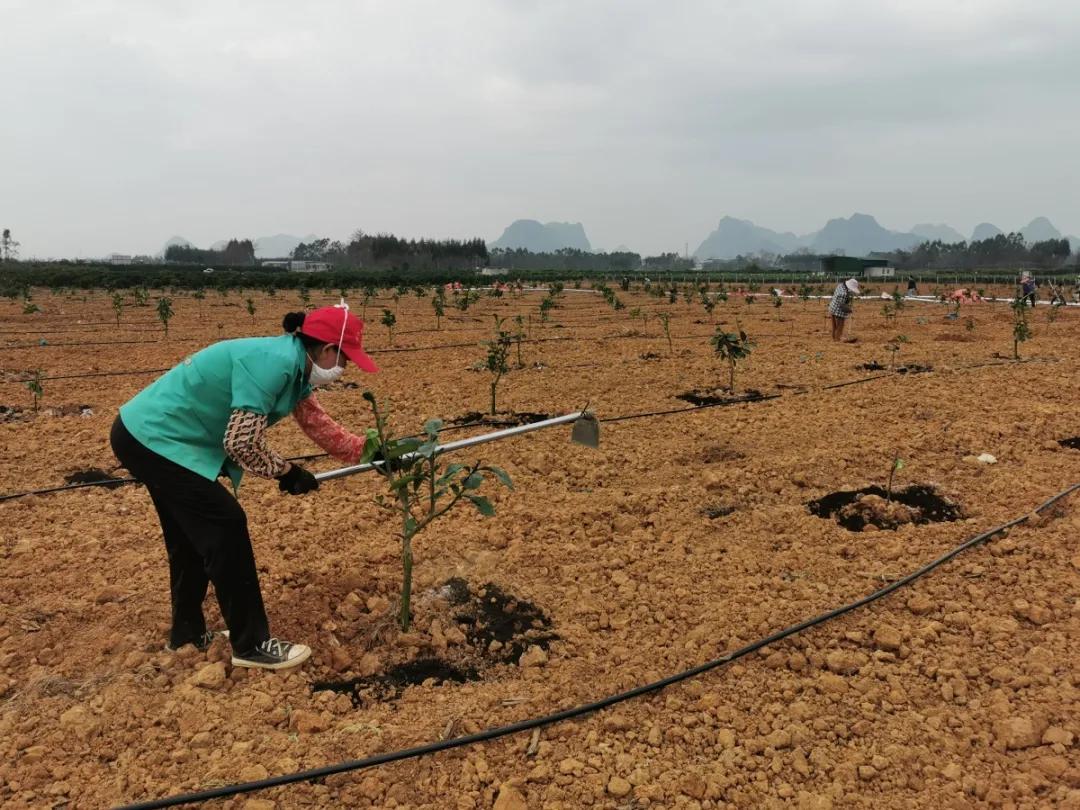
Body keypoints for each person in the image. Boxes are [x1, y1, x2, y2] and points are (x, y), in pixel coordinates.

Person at [110, 303, 378, 671]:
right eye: (346, 359)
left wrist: (374, 452)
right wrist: (287, 473)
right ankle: (252, 644)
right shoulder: (274, 364)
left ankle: (186, 634)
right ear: (329, 350)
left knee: (191, 537)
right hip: (154, 440)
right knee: (225, 524)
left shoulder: (294, 367)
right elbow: (241, 442)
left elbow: (321, 427)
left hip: (149, 437)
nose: (345, 368)